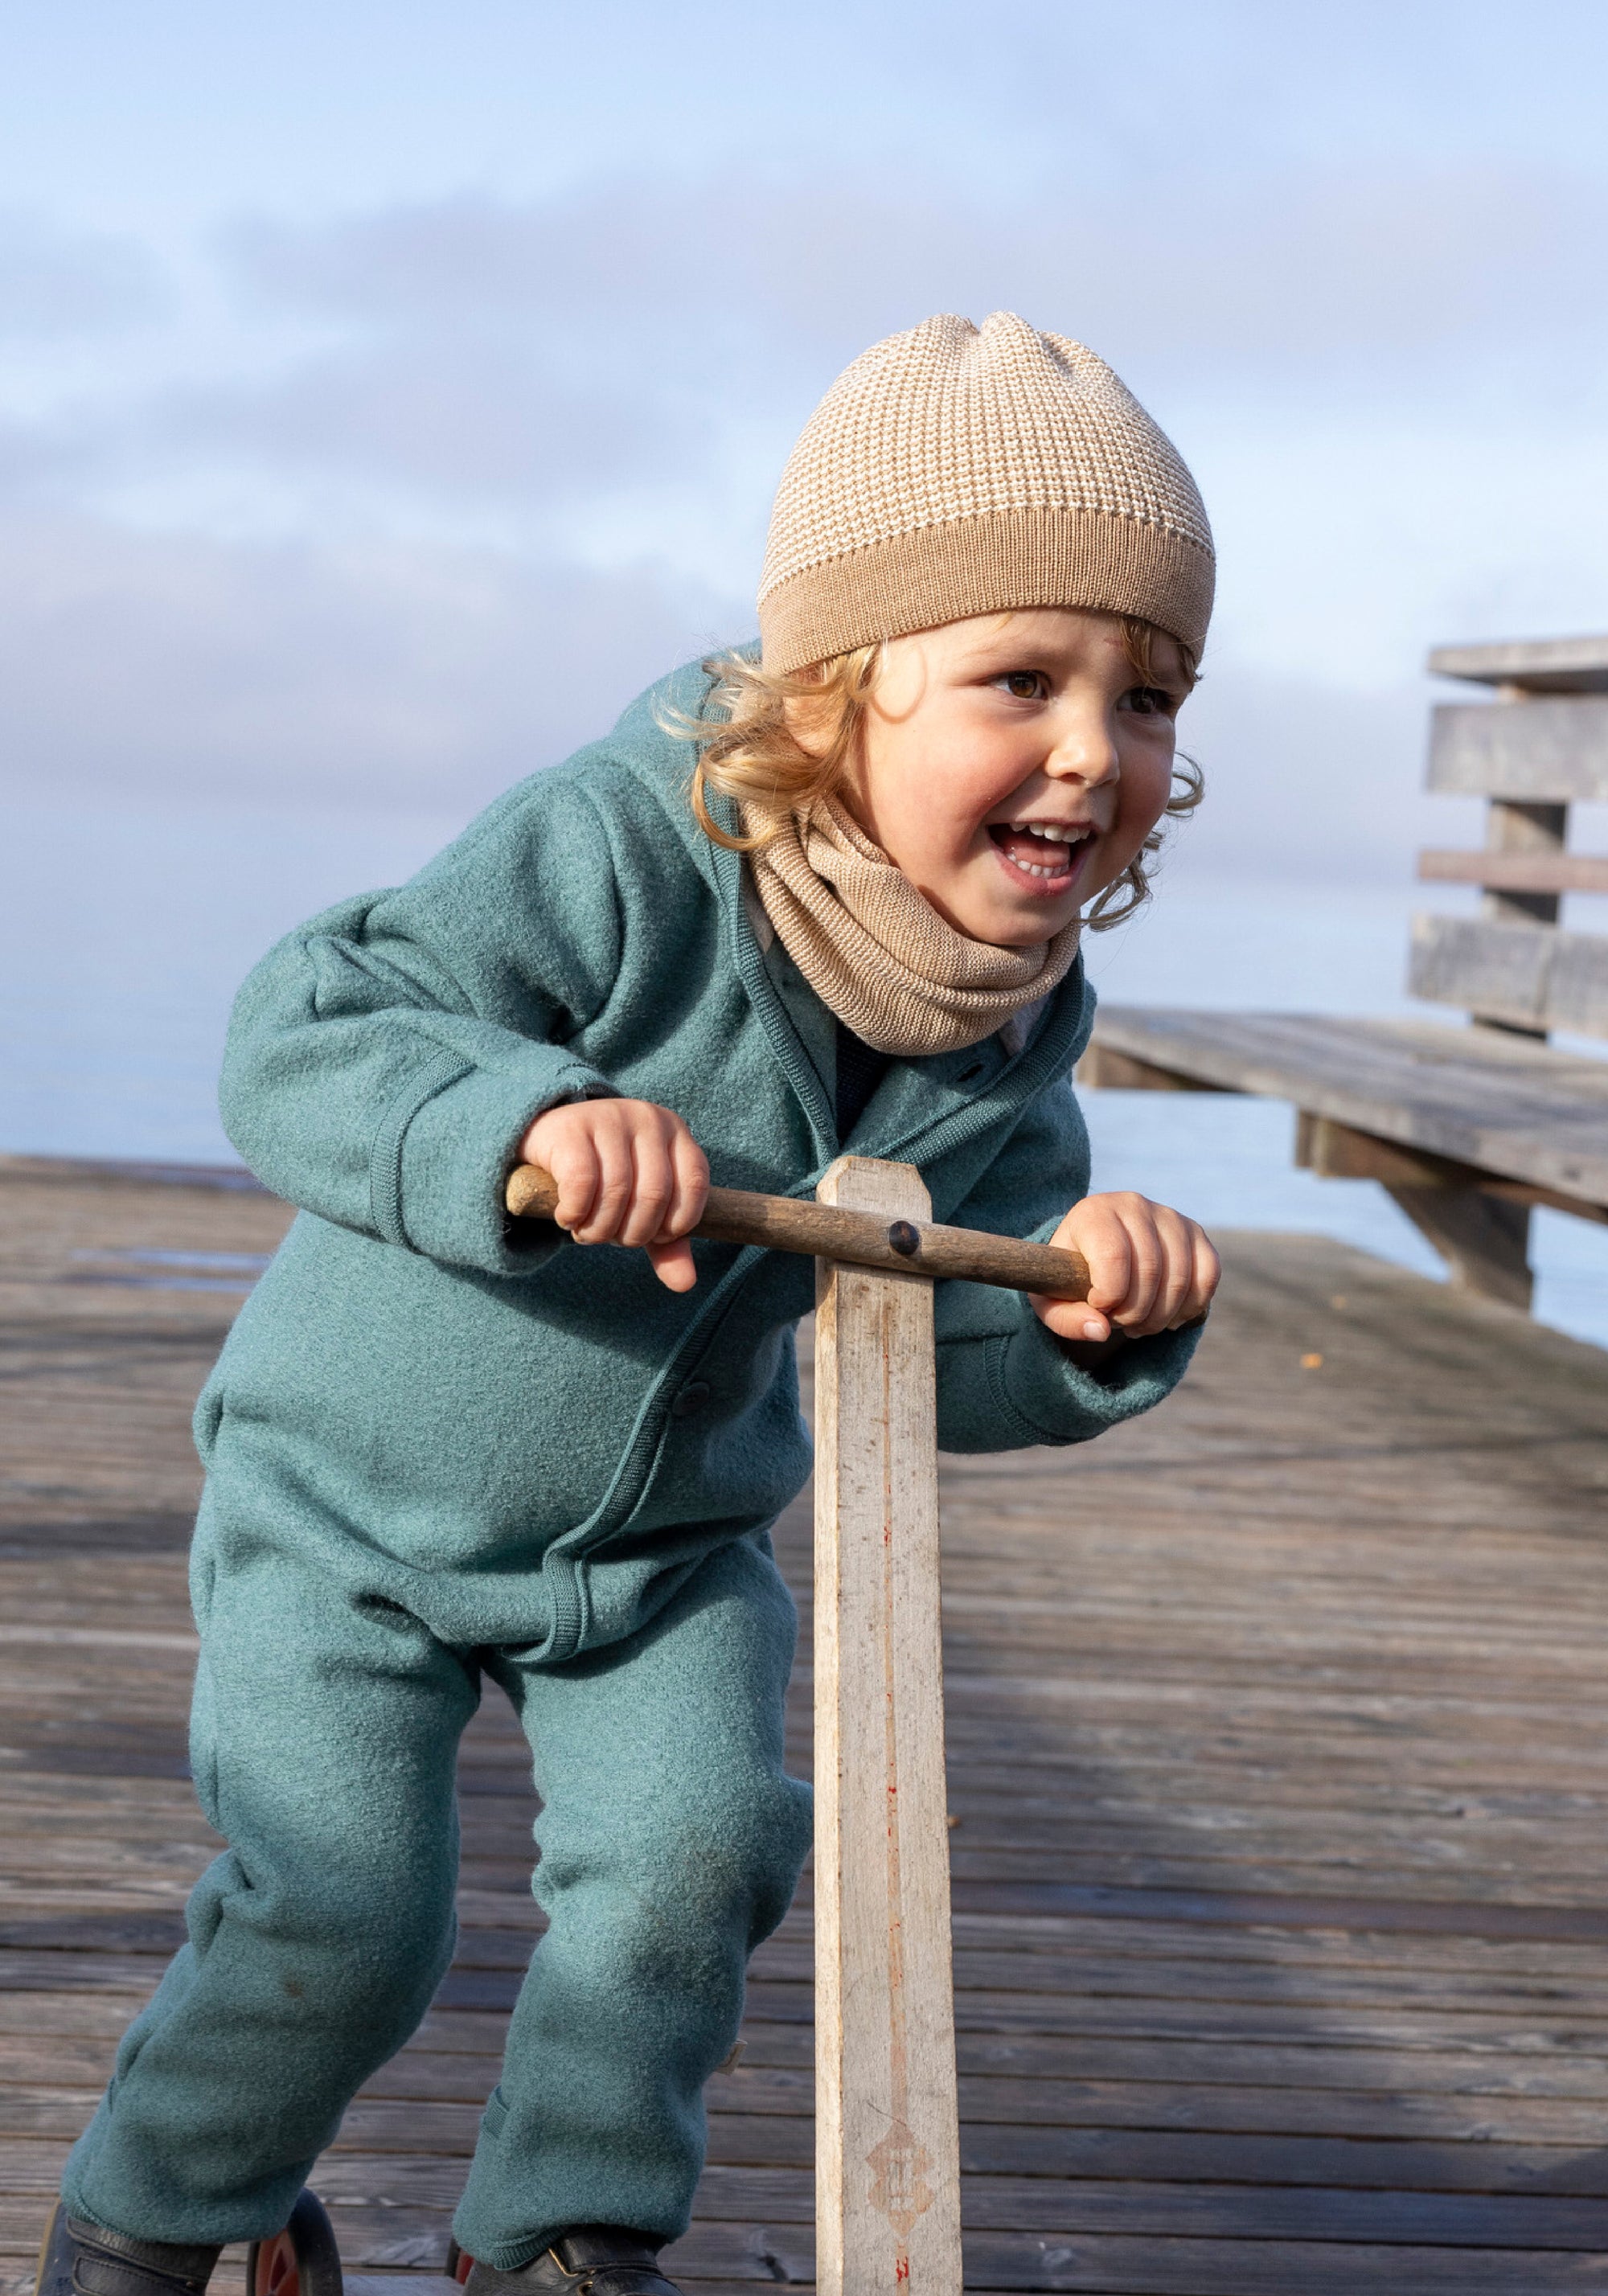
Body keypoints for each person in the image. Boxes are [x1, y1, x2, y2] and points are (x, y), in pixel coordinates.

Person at [41, 311, 1220, 2296]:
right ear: (837, 693)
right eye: (1022, 678)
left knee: (691, 1870)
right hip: (354, 1510)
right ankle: (158, 2215)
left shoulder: (1007, 1032)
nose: (1094, 750)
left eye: (1152, 695)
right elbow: (307, 1029)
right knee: (345, 1911)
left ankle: (561, 2238)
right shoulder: (620, 851)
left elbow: (935, 1353)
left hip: (662, 1553)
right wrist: (526, 1115)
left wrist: (1099, 1321)